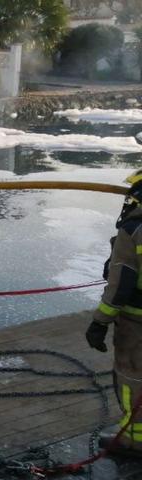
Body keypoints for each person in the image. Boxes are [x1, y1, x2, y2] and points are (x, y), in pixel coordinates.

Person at [86, 169, 142, 455]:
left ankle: (135, 440)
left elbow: (121, 285)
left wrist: (99, 322)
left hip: (136, 318)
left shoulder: (133, 228)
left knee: (131, 378)